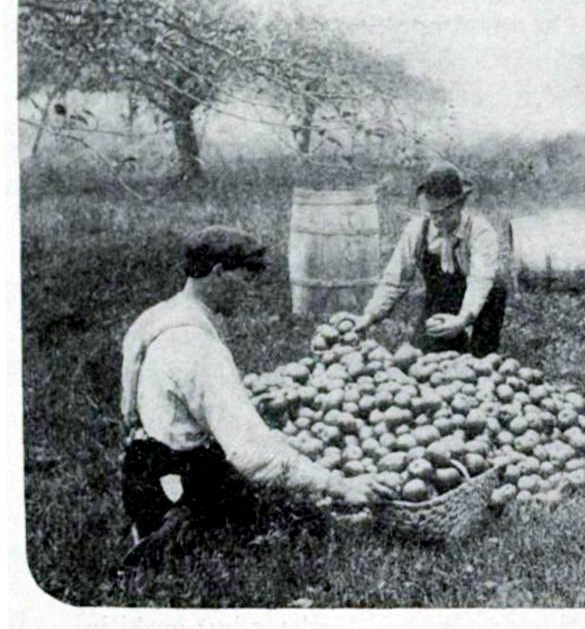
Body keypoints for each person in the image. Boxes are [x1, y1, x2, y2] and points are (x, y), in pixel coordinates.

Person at [120, 225, 392, 566]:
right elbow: (251, 453)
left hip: (140, 465)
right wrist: (338, 485)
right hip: (181, 471)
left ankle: (165, 517)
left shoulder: (156, 317)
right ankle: (179, 525)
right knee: (293, 514)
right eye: (246, 280)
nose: (252, 293)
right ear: (219, 272)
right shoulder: (198, 347)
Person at [349, 161, 507, 357]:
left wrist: (463, 319)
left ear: (460, 205)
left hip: (481, 304)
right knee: (426, 358)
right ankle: (455, 344)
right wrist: (370, 315)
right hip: (440, 302)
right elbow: (394, 280)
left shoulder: (480, 231)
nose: (439, 220)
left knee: (482, 356)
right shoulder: (417, 230)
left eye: (446, 213)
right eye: (434, 213)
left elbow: (480, 280)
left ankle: (482, 353)